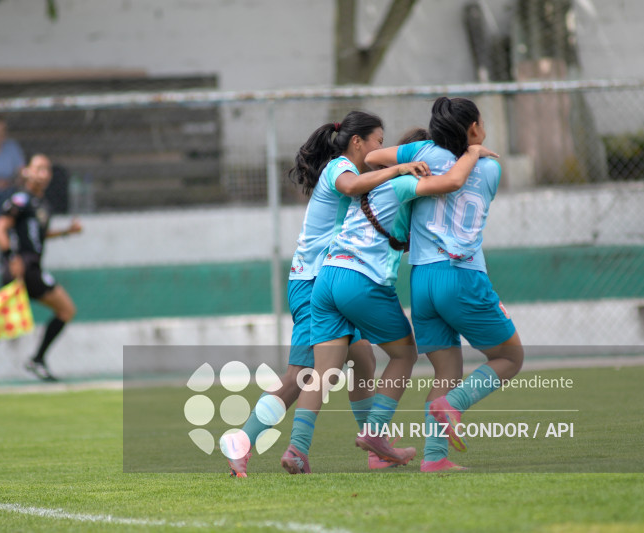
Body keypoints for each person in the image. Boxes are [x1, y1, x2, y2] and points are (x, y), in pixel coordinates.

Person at [279, 117, 496, 474]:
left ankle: (297, 449)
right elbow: (454, 182)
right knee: (405, 353)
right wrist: (471, 152)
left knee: (322, 372)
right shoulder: (405, 183)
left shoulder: (375, 182)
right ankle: (375, 433)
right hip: (360, 280)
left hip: (327, 277)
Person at [222, 111, 430, 476]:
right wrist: (399, 169)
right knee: (300, 377)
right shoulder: (339, 168)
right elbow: (352, 188)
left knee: (362, 361)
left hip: (332, 278)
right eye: (379, 141)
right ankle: (245, 443)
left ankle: (376, 445)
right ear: (357, 142)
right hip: (314, 282)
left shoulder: (362, 176)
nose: (382, 148)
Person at [366, 96, 524, 473]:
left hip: (422, 279)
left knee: (446, 371)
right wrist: (474, 151)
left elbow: (372, 159)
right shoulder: (489, 168)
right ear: (473, 129)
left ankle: (435, 458)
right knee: (510, 358)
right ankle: (453, 405)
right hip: (462, 277)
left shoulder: (421, 151)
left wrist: (407, 163)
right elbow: (462, 173)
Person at [0, 154, 82, 395]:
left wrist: (66, 232)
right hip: (23, 269)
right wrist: (11, 257)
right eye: (38, 168)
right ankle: (37, 359)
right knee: (65, 310)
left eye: (47, 170)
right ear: (27, 172)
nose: (43, 173)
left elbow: (39, 235)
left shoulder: (42, 204)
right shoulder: (20, 200)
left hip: (32, 269)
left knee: (1, 323)